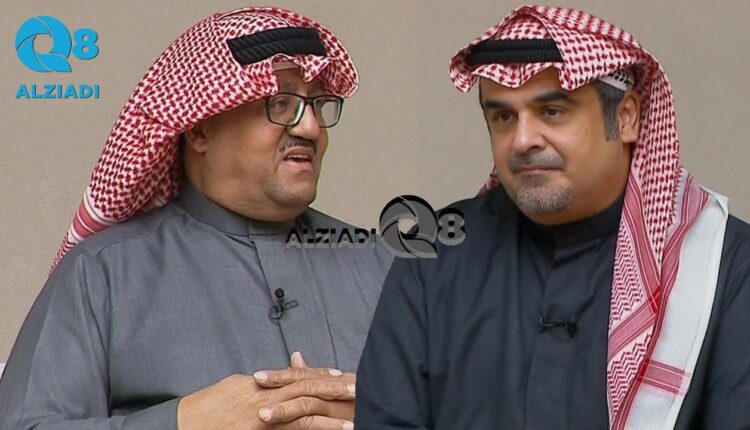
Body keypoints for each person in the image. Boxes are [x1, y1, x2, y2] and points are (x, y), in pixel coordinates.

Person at [355, 5, 750, 429]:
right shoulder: (435, 254)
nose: (522, 140)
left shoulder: (722, 267)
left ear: (627, 117)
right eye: (503, 116)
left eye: (552, 111)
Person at [0, 7, 392, 430]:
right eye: (281, 104)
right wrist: (183, 422)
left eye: (317, 104)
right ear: (200, 130)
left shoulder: (386, 266)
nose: (310, 128)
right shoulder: (103, 274)